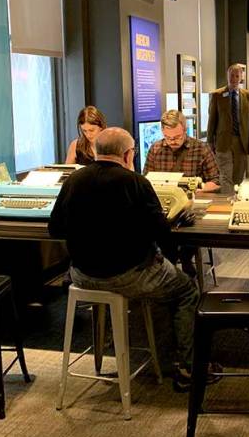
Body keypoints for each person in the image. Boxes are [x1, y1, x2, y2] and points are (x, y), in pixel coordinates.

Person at [48, 127, 202, 391]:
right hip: (130, 276)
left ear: (96, 151)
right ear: (129, 155)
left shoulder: (73, 181)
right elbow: (161, 233)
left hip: (83, 277)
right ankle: (187, 368)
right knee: (187, 289)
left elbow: (55, 228)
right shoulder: (136, 183)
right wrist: (171, 259)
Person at [207, 63, 249, 194]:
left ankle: (236, 200)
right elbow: (212, 120)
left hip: (241, 141)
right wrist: (210, 141)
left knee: (238, 176)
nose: (234, 79)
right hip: (223, 142)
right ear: (227, 76)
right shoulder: (217, 95)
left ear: (241, 77)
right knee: (225, 175)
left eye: (237, 76)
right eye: (231, 75)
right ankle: (225, 203)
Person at [144, 110, 220, 193]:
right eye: (168, 137)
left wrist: (201, 190)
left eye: (177, 137)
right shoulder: (155, 149)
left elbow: (216, 181)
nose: (172, 141)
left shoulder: (201, 149)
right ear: (162, 131)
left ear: (185, 130)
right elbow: (146, 179)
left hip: (193, 200)